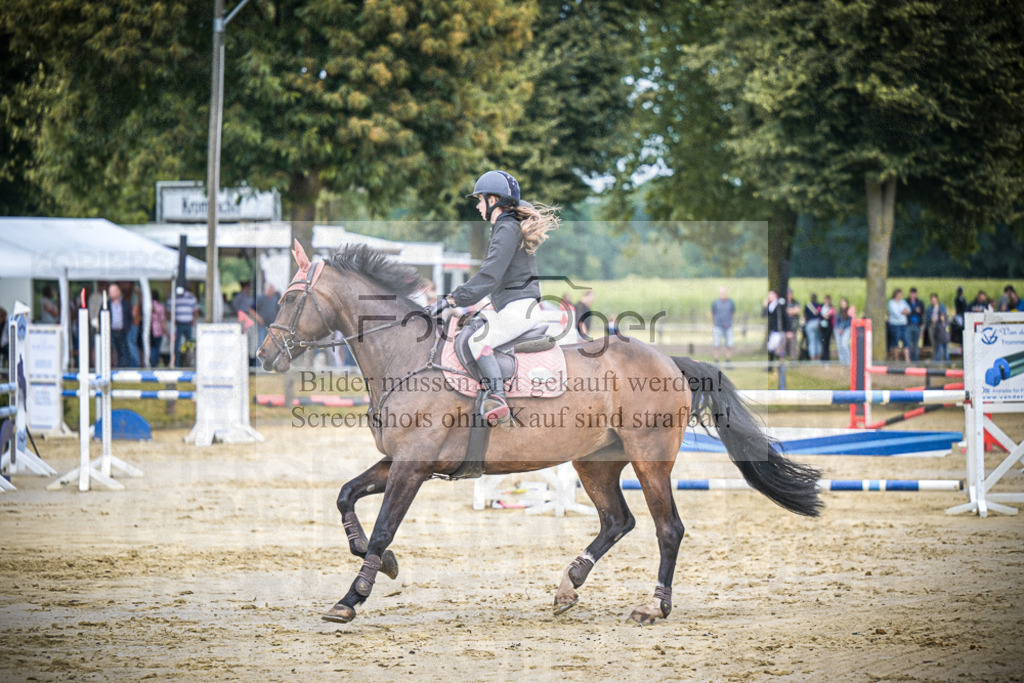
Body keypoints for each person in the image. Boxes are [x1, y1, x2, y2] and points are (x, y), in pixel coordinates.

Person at [429, 170, 559, 425]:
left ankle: (497, 398)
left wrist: (452, 299)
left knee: (478, 341)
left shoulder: (507, 227)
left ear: (493, 200)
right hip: (513, 306)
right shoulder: (506, 226)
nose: (477, 207)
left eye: (480, 200)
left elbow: (490, 275)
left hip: (519, 309)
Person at [170, 284, 199, 365]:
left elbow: (196, 310)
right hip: (178, 324)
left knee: (190, 344)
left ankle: (190, 363)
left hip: (188, 324)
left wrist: (193, 320)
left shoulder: (191, 296)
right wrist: (173, 321)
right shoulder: (174, 296)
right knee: (177, 345)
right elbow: (169, 311)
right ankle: (176, 364)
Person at [107, 283, 132, 367]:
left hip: (122, 331)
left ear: (119, 292)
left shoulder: (126, 304)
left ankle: (122, 369)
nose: (112, 293)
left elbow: (129, 317)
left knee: (123, 351)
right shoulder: (106, 304)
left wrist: (127, 328)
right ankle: (111, 368)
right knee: (111, 351)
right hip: (111, 332)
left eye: (114, 291)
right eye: (110, 291)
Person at [762, 289, 788, 368]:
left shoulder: (779, 305)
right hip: (773, 330)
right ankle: (771, 366)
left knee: (778, 350)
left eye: (771, 294)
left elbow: (785, 317)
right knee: (771, 348)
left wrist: (787, 329)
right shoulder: (770, 306)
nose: (769, 296)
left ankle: (779, 366)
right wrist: (765, 307)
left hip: (779, 330)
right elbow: (764, 315)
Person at [251, 283, 280, 347]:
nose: (273, 292)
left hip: (272, 325)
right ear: (267, 290)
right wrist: (259, 318)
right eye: (271, 290)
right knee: (261, 342)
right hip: (262, 325)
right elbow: (251, 310)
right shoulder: (260, 298)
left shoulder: (275, 299)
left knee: (272, 343)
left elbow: (278, 311)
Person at [711, 286, 735, 363]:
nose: (723, 294)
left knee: (729, 344)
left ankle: (728, 360)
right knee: (716, 344)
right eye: (721, 293)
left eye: (724, 292)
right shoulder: (715, 303)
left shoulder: (730, 302)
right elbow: (713, 313)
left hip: (728, 327)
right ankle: (716, 360)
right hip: (718, 326)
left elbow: (732, 312)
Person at [887, 288, 910, 361]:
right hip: (895, 325)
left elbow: (909, 310)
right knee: (895, 342)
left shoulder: (903, 301)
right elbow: (896, 314)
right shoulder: (891, 303)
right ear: (897, 294)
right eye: (900, 294)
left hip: (903, 324)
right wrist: (903, 312)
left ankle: (907, 360)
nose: (901, 295)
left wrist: (903, 312)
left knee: (906, 341)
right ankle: (896, 360)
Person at [905, 287, 925, 362]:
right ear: (910, 294)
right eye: (912, 293)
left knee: (916, 344)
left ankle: (916, 360)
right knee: (909, 343)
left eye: (914, 294)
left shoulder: (920, 302)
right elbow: (907, 312)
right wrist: (915, 310)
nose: (913, 295)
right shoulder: (906, 302)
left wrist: (913, 311)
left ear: (916, 294)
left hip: (917, 326)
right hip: (909, 325)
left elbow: (922, 313)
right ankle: (910, 359)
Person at [834, 297, 855, 365]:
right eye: (842, 303)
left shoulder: (849, 312)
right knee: (840, 347)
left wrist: (842, 328)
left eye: (844, 303)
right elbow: (836, 322)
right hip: (838, 330)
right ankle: (842, 362)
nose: (843, 304)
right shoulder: (839, 312)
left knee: (844, 345)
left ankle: (849, 362)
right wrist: (839, 328)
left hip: (846, 329)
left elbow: (850, 321)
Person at [803, 293, 823, 361]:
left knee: (811, 341)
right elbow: (820, 315)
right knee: (818, 341)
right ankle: (818, 357)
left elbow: (805, 315)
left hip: (809, 324)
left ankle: (812, 357)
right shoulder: (819, 305)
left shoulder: (808, 305)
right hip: (817, 323)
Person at [150, 290, 166, 368]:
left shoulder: (148, 305)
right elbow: (162, 320)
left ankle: (151, 363)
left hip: (150, 330)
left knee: (152, 348)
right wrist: (166, 332)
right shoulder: (160, 306)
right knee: (156, 348)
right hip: (158, 330)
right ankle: (154, 364)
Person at [784, 289, 801, 360]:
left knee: (793, 344)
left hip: (793, 326)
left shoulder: (795, 302)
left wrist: (789, 311)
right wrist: (792, 311)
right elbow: (784, 311)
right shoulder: (784, 303)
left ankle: (792, 358)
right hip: (785, 327)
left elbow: (797, 311)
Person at [819, 295, 835, 361]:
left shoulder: (831, 307)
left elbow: (830, 315)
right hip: (822, 328)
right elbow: (819, 314)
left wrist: (827, 316)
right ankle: (823, 357)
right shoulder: (821, 307)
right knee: (823, 342)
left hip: (828, 328)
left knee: (827, 343)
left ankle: (827, 358)